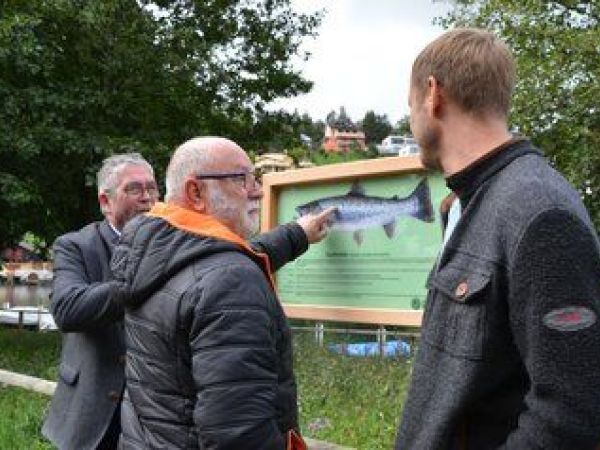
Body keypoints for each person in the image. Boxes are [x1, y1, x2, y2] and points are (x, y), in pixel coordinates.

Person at [42, 152, 333, 450]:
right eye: (134, 189)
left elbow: (222, 258)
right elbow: (68, 309)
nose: (147, 197)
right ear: (106, 202)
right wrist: (146, 280)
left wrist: (296, 235)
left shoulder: (178, 251)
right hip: (94, 416)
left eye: (152, 187)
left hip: (159, 414)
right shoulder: (75, 245)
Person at [395, 28, 600, 449]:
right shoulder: (464, 203)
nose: (411, 122)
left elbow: (573, 414)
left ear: (433, 94)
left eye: (409, 105)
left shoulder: (541, 212)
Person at [111, 137, 317, 449]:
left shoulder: (154, 257)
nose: (258, 190)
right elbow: (239, 433)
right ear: (196, 192)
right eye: (242, 179)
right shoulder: (230, 279)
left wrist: (297, 234)